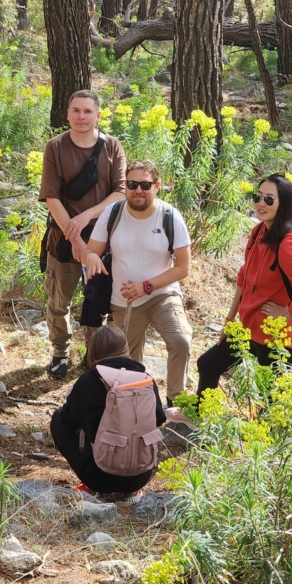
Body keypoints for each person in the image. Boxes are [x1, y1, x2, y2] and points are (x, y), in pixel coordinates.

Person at [194, 173, 292, 395]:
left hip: (275, 338)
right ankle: (200, 416)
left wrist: (284, 315)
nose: (261, 204)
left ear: (284, 204)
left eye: (269, 199)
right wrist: (229, 320)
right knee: (208, 364)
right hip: (248, 328)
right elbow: (244, 277)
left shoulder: (288, 245)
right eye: (258, 197)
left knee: (268, 399)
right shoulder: (259, 231)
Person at [82, 160, 193, 404]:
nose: (138, 190)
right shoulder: (113, 213)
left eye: (145, 184)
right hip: (124, 299)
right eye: (132, 184)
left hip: (162, 294)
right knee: (127, 361)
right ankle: (136, 407)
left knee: (180, 340)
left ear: (157, 186)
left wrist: (147, 286)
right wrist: (89, 257)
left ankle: (176, 402)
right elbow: (90, 251)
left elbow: (183, 267)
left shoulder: (170, 216)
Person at [39, 90, 126, 379]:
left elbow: (121, 191)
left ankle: (95, 353)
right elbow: (51, 197)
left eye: (87, 111)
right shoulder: (55, 147)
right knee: (58, 301)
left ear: (98, 115)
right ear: (67, 114)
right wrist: (75, 240)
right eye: (75, 110)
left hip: (104, 240)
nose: (81, 116)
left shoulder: (112, 146)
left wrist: (88, 215)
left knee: (98, 299)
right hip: (63, 239)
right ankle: (60, 352)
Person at [49, 325, 165, 501]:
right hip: (141, 475)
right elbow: (159, 418)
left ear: (93, 351)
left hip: (98, 478)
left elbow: (67, 421)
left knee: (57, 418)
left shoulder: (89, 380)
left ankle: (90, 487)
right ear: (125, 349)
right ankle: (131, 492)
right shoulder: (146, 380)